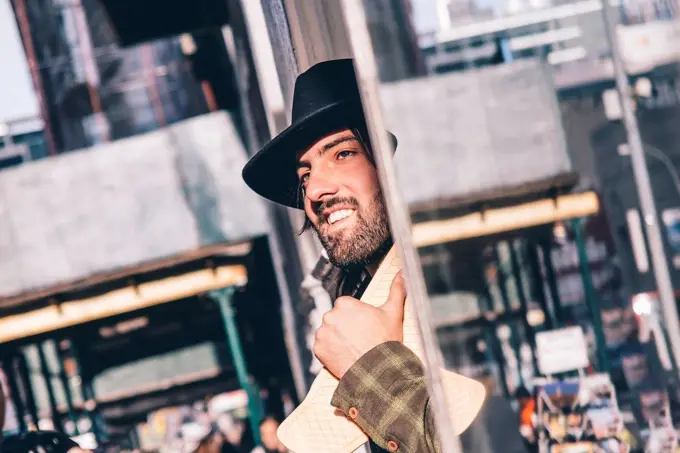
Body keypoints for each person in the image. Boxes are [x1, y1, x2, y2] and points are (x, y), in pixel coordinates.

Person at [242, 58, 478, 453]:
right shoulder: (349, 298)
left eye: (343, 153)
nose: (315, 189)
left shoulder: (445, 281)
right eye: (305, 175)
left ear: (392, 166)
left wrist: (370, 366)